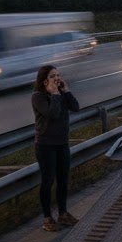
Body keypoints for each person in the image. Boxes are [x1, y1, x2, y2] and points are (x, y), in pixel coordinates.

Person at [32, 63, 81, 232]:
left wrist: (66, 91)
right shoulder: (38, 97)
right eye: (52, 76)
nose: (57, 78)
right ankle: (47, 218)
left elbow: (75, 107)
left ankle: (63, 214)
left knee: (63, 179)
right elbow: (52, 114)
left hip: (62, 143)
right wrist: (54, 94)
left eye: (58, 75)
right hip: (45, 146)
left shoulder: (60, 94)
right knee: (48, 181)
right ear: (44, 81)